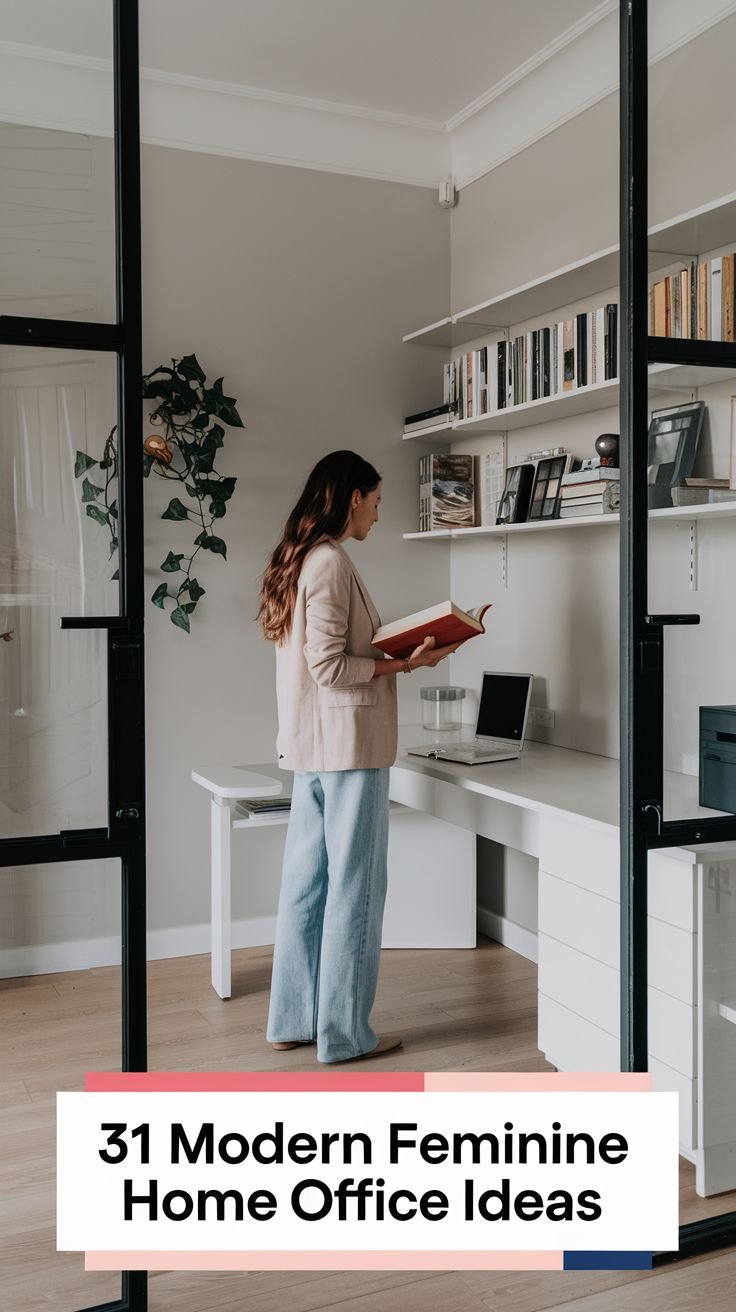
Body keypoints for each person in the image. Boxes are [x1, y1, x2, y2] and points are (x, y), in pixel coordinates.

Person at [257, 450, 459, 1063]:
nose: (379, 511)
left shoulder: (302, 560)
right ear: (353, 498)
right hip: (346, 749)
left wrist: (396, 651)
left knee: (306, 886)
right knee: (356, 887)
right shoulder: (329, 562)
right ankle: (343, 1034)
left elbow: (322, 656)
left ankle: (294, 1019)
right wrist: (404, 663)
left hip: (314, 750)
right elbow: (329, 667)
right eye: (375, 500)